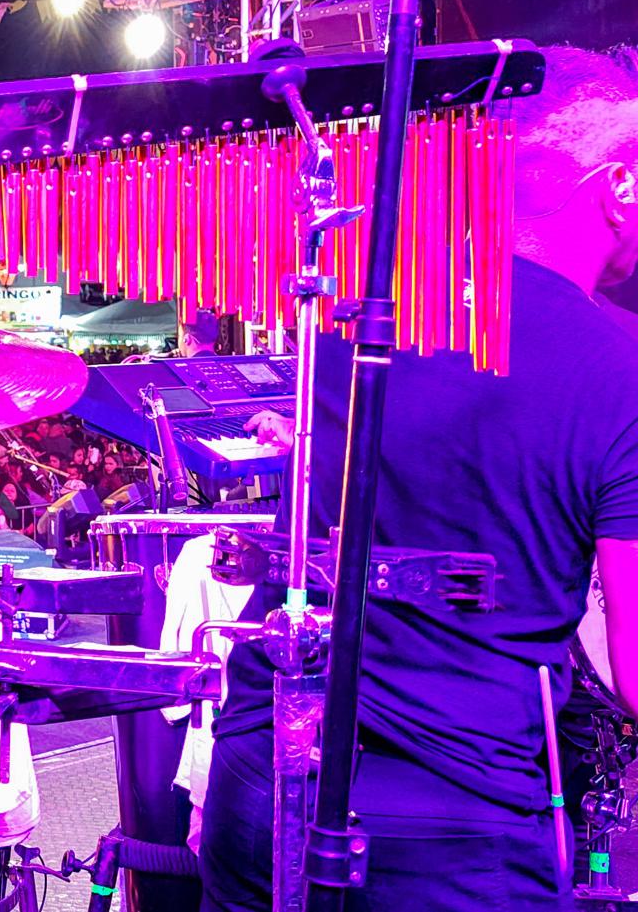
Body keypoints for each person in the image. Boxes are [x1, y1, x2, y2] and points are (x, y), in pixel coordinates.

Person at [200, 47, 638, 911]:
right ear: (618, 185)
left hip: (265, 772)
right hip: (453, 821)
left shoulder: (359, 310)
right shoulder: (620, 371)